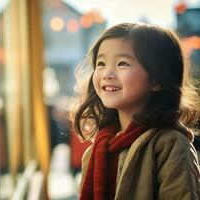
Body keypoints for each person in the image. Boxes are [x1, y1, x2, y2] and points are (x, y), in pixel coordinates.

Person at [72, 23, 200, 199]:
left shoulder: (170, 145)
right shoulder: (95, 152)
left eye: (122, 63)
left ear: (157, 79)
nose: (107, 73)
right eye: (101, 63)